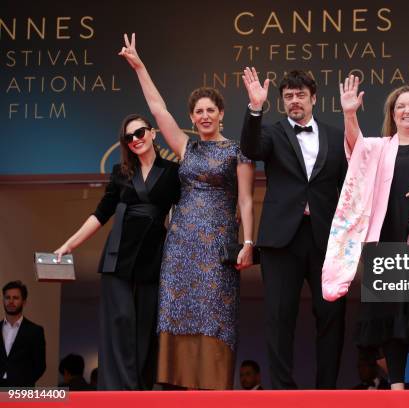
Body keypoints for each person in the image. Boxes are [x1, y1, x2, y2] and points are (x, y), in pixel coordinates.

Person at [120, 34, 255, 390]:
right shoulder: (186, 147)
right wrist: (140, 67)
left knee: (214, 313)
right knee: (176, 311)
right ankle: (173, 389)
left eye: (211, 110)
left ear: (221, 114)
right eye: (199, 111)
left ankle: (212, 389)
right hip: (180, 244)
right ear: (192, 118)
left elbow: (246, 200)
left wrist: (249, 241)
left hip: (217, 246)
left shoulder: (237, 151)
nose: (205, 115)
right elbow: (158, 110)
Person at [322, 76, 409, 390]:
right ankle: (397, 385)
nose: (407, 111)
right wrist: (349, 114)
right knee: (389, 315)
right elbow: (355, 150)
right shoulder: (378, 148)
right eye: (400, 106)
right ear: (393, 114)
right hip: (387, 243)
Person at [55, 114, 181, 390]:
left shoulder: (173, 172)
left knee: (147, 326)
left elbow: (186, 212)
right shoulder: (120, 172)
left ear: (153, 133)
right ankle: (119, 391)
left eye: (140, 133)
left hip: (153, 259)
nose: (136, 139)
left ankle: (143, 390)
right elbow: (101, 214)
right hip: (118, 259)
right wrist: (69, 244)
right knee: (120, 322)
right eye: (129, 137)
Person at [240, 67, 347, 389]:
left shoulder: (336, 135)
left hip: (326, 239)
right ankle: (283, 392)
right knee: (278, 318)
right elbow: (250, 148)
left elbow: (349, 184)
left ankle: (326, 391)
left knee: (331, 318)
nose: (295, 101)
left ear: (314, 98)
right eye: (288, 97)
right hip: (281, 240)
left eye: (301, 95)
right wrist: (255, 108)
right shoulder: (271, 133)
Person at [0, 281, 46, 387]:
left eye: (15, 298)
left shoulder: (35, 331)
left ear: (24, 302)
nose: (11, 301)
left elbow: (40, 365)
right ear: (3, 300)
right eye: (7, 297)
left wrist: (24, 384)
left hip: (22, 390)